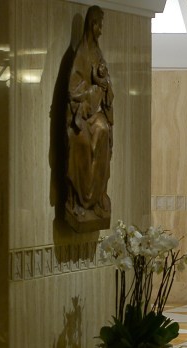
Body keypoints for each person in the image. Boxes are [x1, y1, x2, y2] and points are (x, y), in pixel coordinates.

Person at [65, 5, 114, 226]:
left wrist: (104, 85)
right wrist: (92, 91)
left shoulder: (97, 53)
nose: (101, 31)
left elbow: (106, 83)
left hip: (96, 113)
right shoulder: (81, 54)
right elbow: (73, 90)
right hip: (81, 113)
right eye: (99, 25)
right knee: (82, 143)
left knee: (103, 131)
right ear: (91, 25)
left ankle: (97, 196)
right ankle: (80, 199)